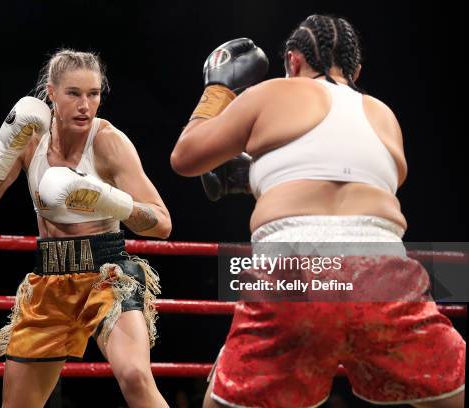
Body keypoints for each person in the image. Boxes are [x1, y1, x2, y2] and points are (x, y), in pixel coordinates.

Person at [171, 15, 465, 408]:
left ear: (293, 62)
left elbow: (185, 157)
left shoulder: (273, 93)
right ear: (356, 70)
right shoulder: (384, 116)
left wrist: (219, 89)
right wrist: (259, 175)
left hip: (293, 276)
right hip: (382, 276)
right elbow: (363, 183)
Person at [0, 49, 171, 408]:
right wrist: (3, 150)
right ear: (51, 94)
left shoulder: (109, 142)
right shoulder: (30, 140)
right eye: (74, 93)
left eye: (93, 94)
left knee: (136, 377)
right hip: (49, 279)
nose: (85, 105)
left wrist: (107, 200)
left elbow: (162, 222)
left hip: (107, 274)